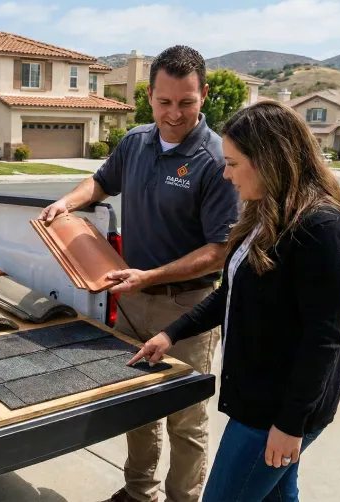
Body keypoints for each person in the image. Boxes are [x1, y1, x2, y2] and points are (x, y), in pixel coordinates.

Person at [40, 45, 240, 502]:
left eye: (186, 101)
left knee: (185, 417)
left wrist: (149, 277)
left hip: (187, 307)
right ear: (148, 96)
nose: (174, 113)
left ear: (204, 95)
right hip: (132, 300)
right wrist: (67, 202)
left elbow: (219, 250)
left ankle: (183, 498)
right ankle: (139, 492)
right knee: (138, 403)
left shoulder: (215, 159)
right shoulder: (135, 142)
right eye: (164, 101)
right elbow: (101, 182)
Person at [132, 100, 340, 501]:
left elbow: (323, 340)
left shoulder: (322, 229)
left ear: (269, 161)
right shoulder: (264, 214)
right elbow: (231, 293)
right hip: (259, 401)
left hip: (275, 413)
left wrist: (290, 424)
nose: (226, 174)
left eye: (233, 164)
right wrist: (171, 334)